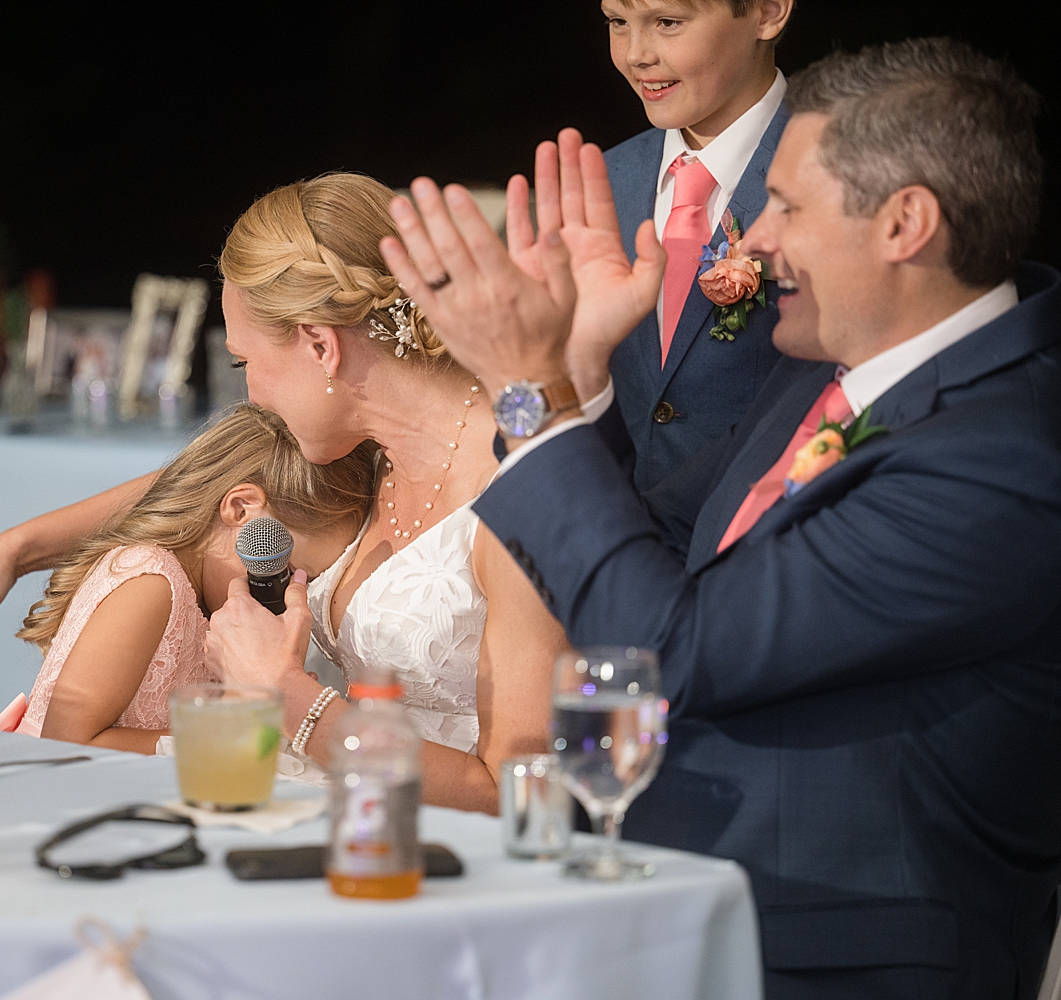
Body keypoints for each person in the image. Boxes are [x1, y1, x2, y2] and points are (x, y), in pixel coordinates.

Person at [380, 37, 1058, 1000]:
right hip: (686, 903)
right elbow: (637, 548)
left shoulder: (1005, 460)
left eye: (784, 206)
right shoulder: (828, 376)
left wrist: (517, 385)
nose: (756, 240)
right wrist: (569, 380)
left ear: (905, 223)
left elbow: (671, 648)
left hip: (828, 952)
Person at [0, 174, 575, 813]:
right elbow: (199, 484)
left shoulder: (517, 484)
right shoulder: (375, 451)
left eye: (245, 362)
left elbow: (517, 793)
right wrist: (16, 549)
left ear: (321, 345)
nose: (251, 393)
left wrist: (289, 700)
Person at [0, 404, 377, 754]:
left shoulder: (205, 604)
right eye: (281, 570)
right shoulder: (149, 580)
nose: (284, 596)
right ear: (241, 509)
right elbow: (68, 741)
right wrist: (231, 731)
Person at [588, 0, 794, 491]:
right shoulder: (602, 182)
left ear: (767, 12)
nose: (635, 54)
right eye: (617, 22)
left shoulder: (838, 170)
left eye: (667, 23)